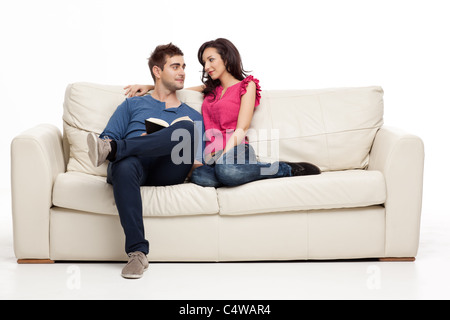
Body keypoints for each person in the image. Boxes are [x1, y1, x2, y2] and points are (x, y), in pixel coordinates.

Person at [125, 38, 320, 188]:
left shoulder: (247, 85)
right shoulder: (209, 89)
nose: (207, 67)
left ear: (226, 59)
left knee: (227, 171)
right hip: (211, 158)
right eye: (204, 63)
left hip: (236, 150)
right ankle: (240, 173)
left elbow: (241, 128)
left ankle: (283, 169)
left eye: (211, 60)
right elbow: (176, 89)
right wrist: (150, 85)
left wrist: (223, 157)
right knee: (199, 177)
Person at [87, 43, 204, 279]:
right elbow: (106, 139)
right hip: (131, 167)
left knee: (185, 128)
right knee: (123, 163)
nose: (182, 71)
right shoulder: (133, 104)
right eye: (175, 66)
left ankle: (123, 149)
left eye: (183, 66)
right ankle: (138, 253)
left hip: (167, 169)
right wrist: (141, 146)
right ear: (157, 71)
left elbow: (195, 163)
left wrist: (160, 142)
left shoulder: (192, 115)